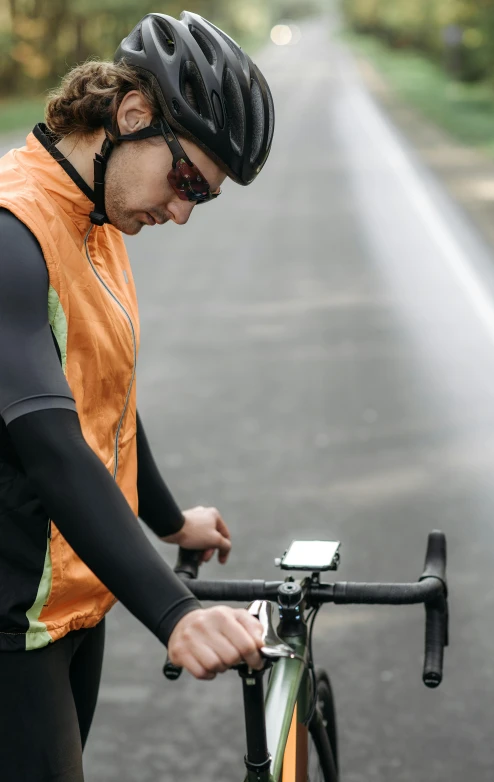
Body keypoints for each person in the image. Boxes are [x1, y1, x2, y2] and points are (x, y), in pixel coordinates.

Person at [0, 10, 275, 781]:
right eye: (186, 180)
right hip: (10, 617)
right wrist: (176, 611)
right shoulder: (12, 229)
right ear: (131, 116)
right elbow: (51, 445)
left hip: (72, 601)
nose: (182, 211)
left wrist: (168, 519)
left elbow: (104, 393)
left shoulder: (98, 219)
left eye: (204, 198)